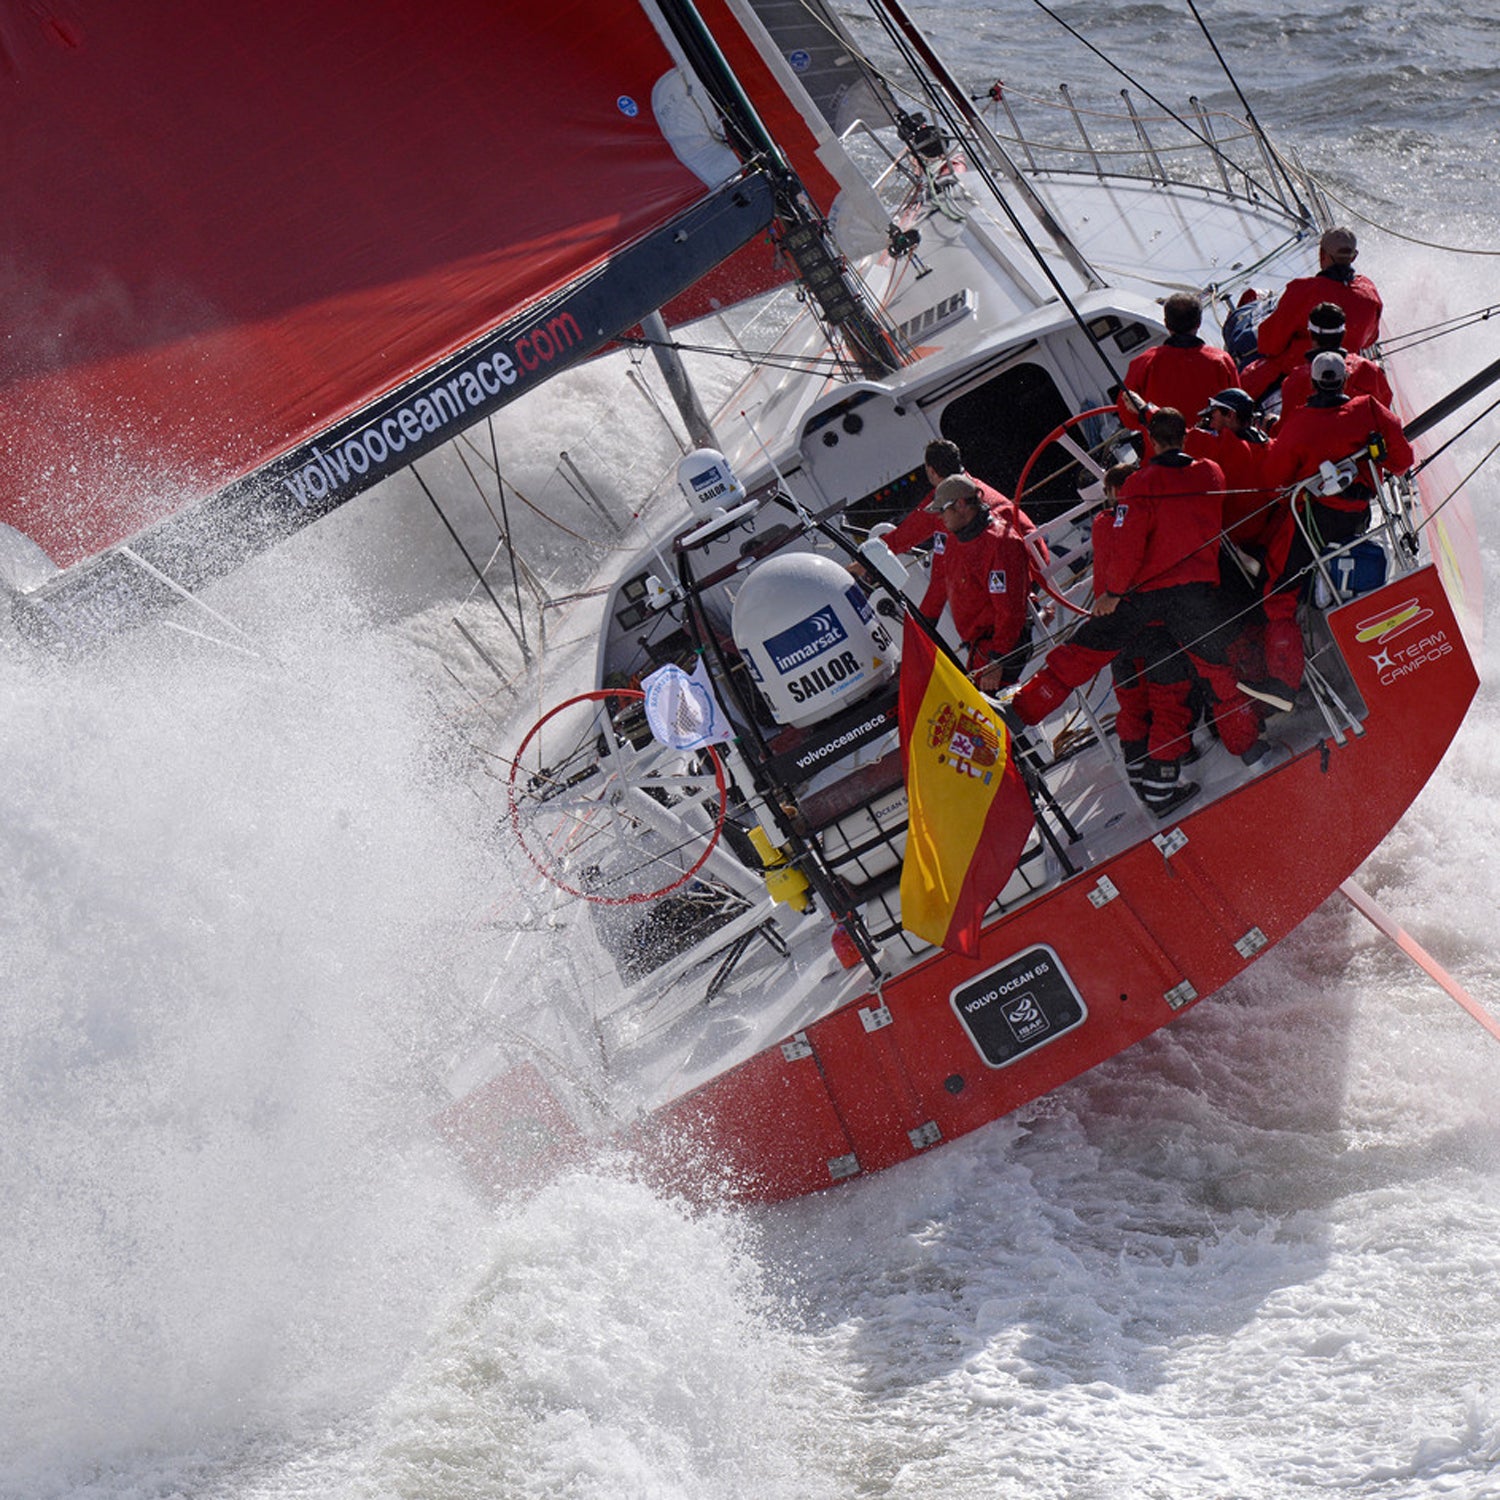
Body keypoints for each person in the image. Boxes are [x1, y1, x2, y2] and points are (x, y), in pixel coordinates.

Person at [1011, 408, 1268, 806]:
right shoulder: (1211, 472)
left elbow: (1130, 546)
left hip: (1146, 596)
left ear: (1151, 441)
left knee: (1080, 655)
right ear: (1184, 435)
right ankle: (1252, 755)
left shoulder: (1139, 486)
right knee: (1219, 675)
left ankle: (1020, 711)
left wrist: (1112, 592)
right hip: (1200, 593)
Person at [1252, 351, 1415, 700]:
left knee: (1277, 592)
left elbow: (1274, 480)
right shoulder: (1369, 409)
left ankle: (1284, 685)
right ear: (1344, 380)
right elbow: (1403, 460)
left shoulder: (1298, 424)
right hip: (1361, 515)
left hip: (1314, 521)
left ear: (1312, 382)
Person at [1095, 461, 1201, 813]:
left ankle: (1141, 777)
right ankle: (1161, 787)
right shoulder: (1141, 519)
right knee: (1170, 703)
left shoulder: (1100, 525)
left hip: (1115, 635)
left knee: (1132, 706)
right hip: (1153, 628)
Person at [925, 473, 1038, 690]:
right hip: (980, 650)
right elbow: (940, 585)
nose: (940, 517)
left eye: (942, 510)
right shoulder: (955, 542)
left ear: (960, 504)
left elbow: (1009, 610)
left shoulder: (1000, 543)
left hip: (1002, 648)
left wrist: (997, 660)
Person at [1243, 227, 1384, 398]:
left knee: (1244, 380)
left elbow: (1269, 344)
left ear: (1321, 254)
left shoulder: (1303, 291)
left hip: (1297, 376)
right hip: (1349, 377)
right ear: (1354, 257)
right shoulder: (1369, 292)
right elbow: (1370, 339)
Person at [1116, 292, 1240, 434]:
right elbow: (1239, 409)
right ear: (1199, 323)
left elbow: (1128, 418)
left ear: (1166, 324)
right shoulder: (1221, 360)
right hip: (1216, 450)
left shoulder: (1144, 363)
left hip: (1164, 452)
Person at [1279, 301, 1393, 411]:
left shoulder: (1293, 381)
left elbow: (1286, 426)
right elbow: (1385, 409)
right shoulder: (1369, 370)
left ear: (1311, 335)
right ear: (1343, 334)